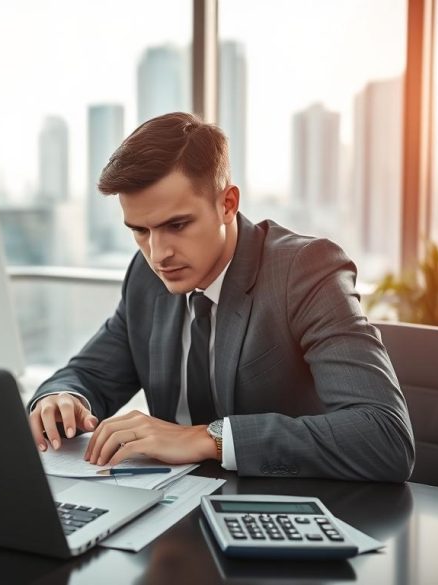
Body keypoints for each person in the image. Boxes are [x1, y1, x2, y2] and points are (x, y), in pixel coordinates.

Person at [27, 112, 415, 482]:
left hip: (279, 514)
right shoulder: (146, 277)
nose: (158, 253)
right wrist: (60, 398)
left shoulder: (304, 271)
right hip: (167, 512)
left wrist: (208, 438)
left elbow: (384, 435)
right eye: (140, 231)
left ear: (227, 204)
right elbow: (90, 373)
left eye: (176, 225)